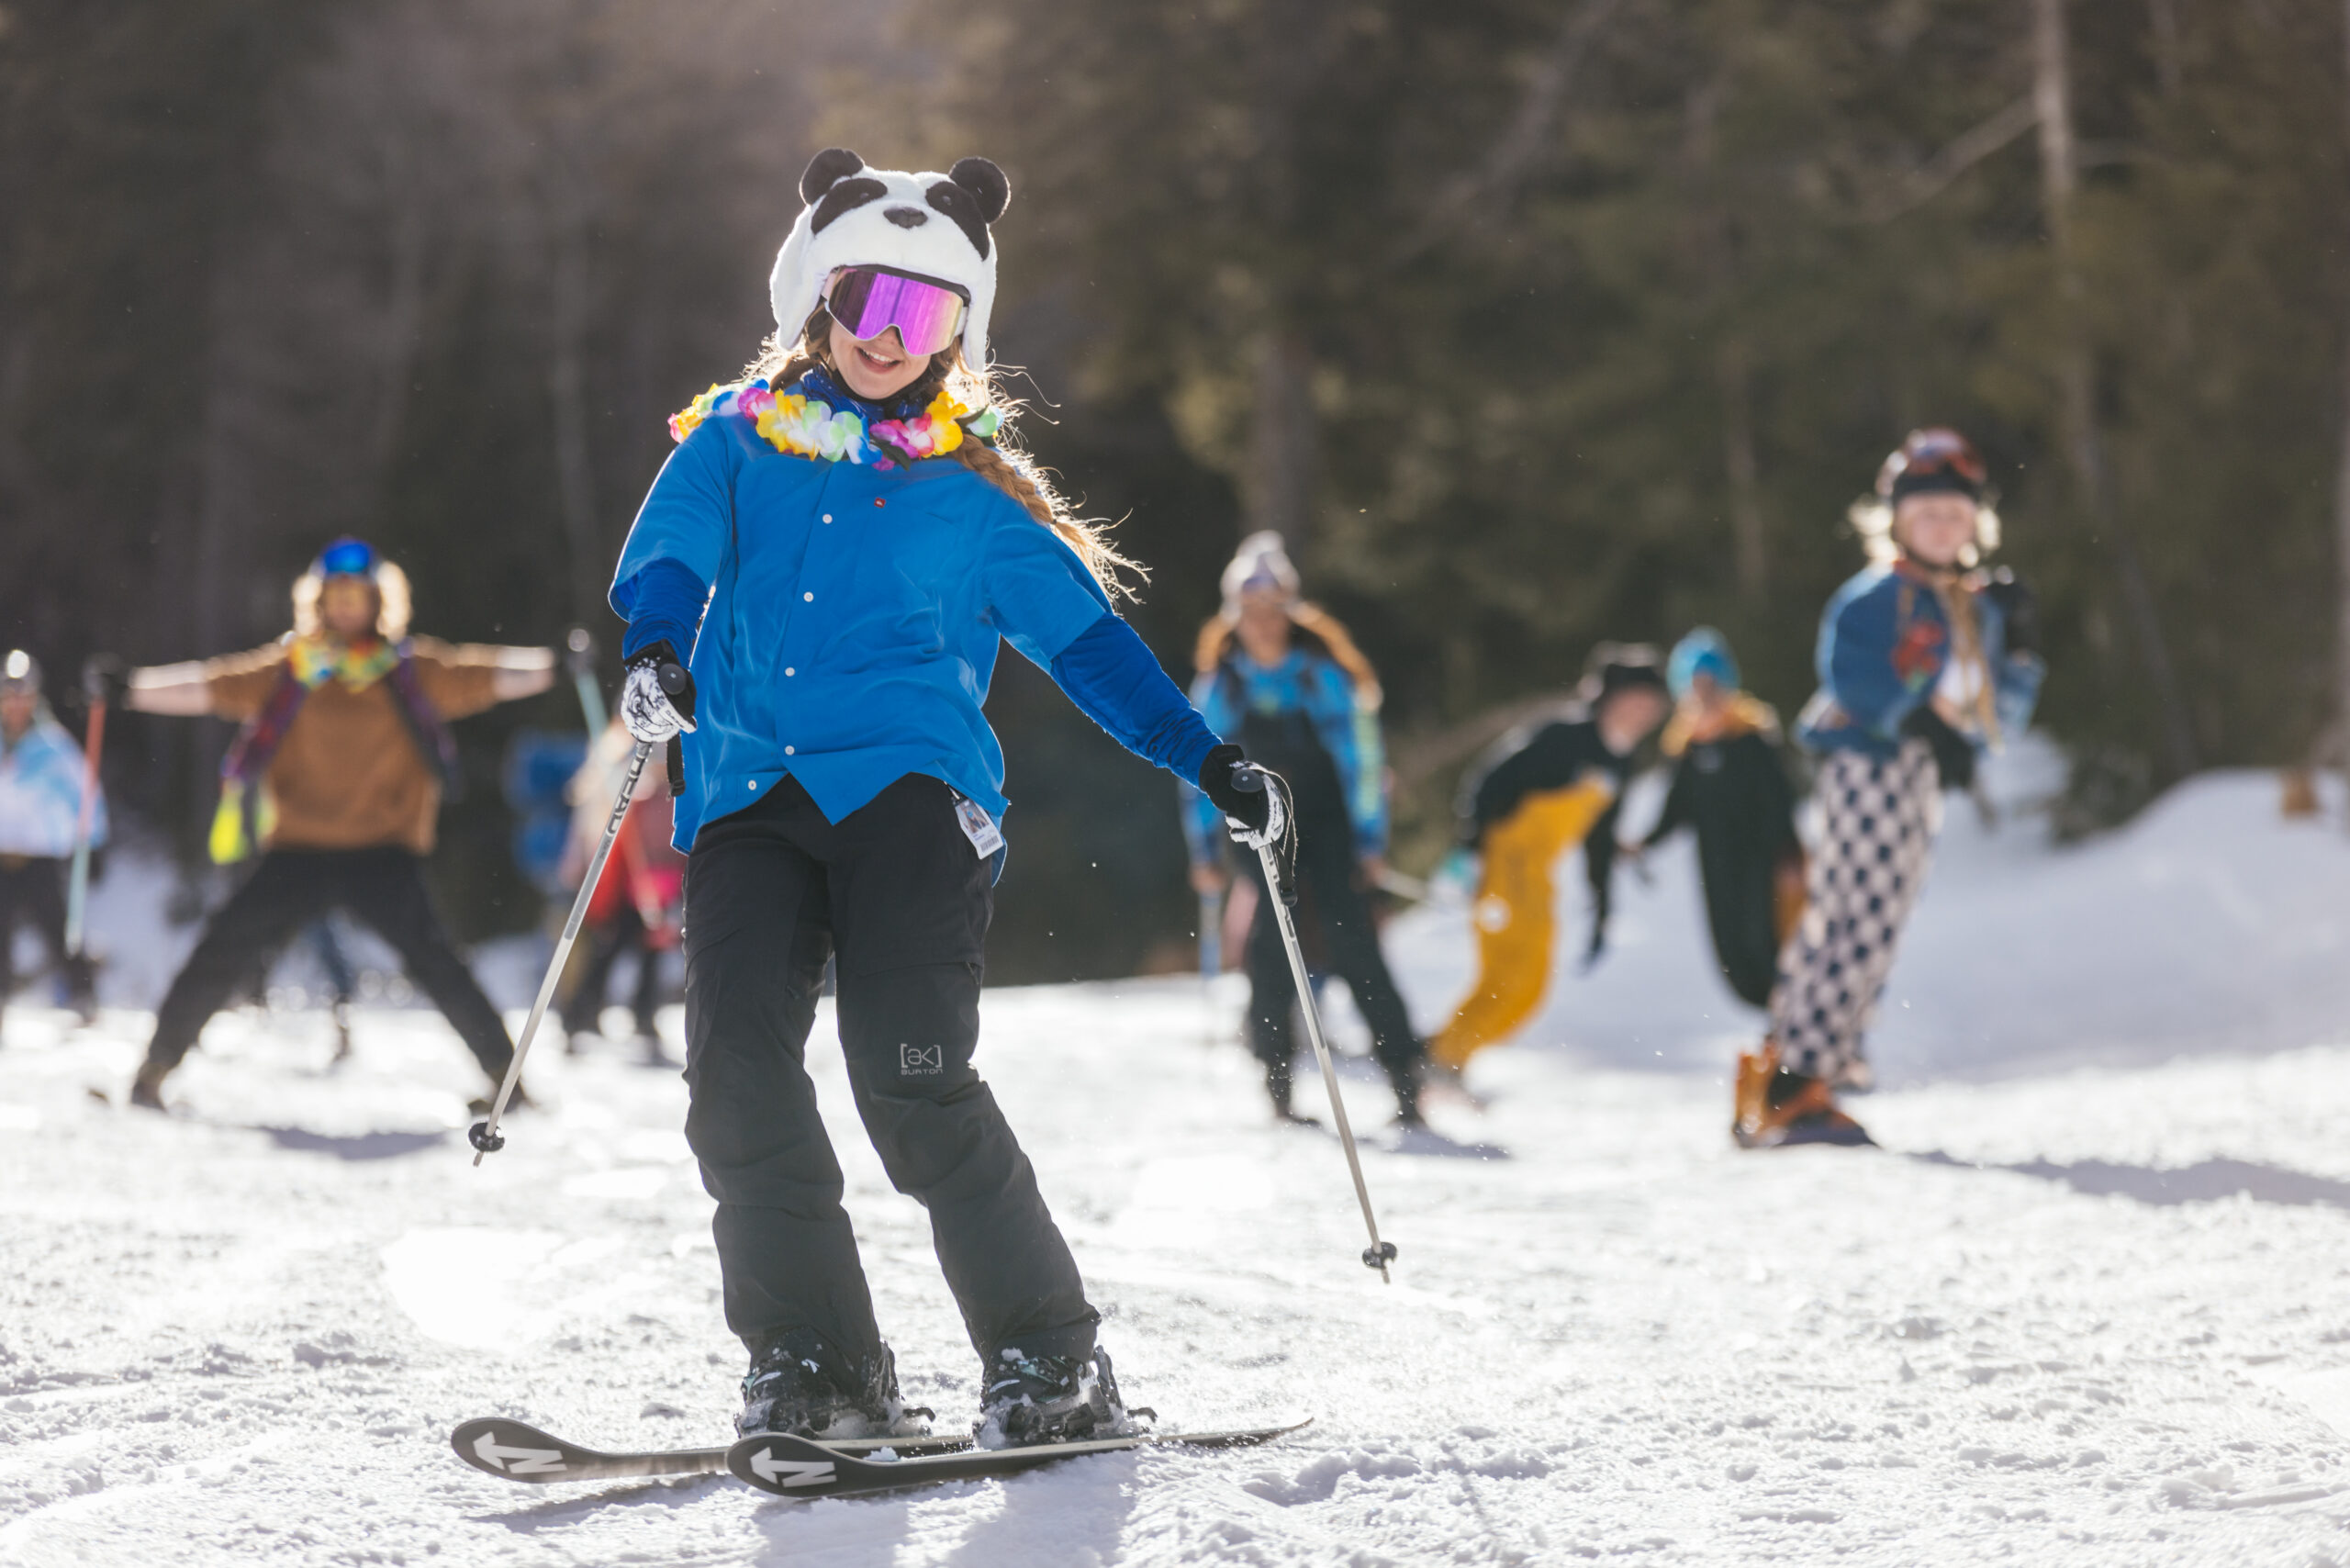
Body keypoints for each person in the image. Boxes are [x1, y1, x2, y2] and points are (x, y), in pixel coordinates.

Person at [608, 150, 1268, 1450]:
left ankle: (1050, 1360)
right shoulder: (736, 444)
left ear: (961, 329)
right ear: (814, 297)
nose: (885, 338)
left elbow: (1087, 648)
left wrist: (1206, 757)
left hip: (912, 795)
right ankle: (817, 1360)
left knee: (909, 1076)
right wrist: (657, 647)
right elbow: (668, 558)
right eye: (862, 303)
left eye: (921, 315)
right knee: (735, 1080)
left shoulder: (969, 494)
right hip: (747, 786)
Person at [115, 537, 556, 1109]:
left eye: (358, 594)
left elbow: (483, 675)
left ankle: (507, 1081)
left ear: (379, 601)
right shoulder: (291, 669)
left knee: (438, 963)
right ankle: (152, 1073)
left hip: (382, 854)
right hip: (297, 850)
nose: (347, 604)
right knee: (222, 950)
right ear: (318, 601)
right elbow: (212, 685)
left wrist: (555, 666)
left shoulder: (407, 671)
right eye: (336, 594)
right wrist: (128, 687)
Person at [1739, 428, 2043, 1148]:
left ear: (1976, 523)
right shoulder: (1878, 595)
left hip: (1920, 777)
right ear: (1899, 521)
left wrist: (2022, 647)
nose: (1942, 525)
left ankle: (1790, 1064)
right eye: (1926, 512)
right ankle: (1798, 1082)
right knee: (1858, 914)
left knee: (1882, 917)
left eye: (1955, 513)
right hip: (1869, 764)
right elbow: (1852, 674)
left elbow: (2003, 712)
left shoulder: (1975, 608)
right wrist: (1916, 719)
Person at [1182, 532, 1424, 1126]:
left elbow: (1362, 764)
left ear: (1289, 608)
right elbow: (1194, 770)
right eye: (1249, 610)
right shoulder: (1221, 686)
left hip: (1329, 827)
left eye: (1272, 608)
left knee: (1353, 943)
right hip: (1259, 834)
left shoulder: (1321, 676)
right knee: (1269, 949)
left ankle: (1405, 1081)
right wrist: (1202, 847)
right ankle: (1279, 1087)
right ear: (1233, 614)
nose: (1262, 622)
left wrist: (1371, 841)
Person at [1430, 645, 1671, 1081]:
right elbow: (1488, 783)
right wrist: (1469, 852)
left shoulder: (1621, 762)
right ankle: (1441, 1060)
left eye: (1651, 707)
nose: (1643, 715)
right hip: (1504, 865)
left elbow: (1599, 841)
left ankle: (1446, 1057)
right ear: (1609, 697)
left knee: (1532, 990)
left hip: (1540, 876)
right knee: (1505, 978)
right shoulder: (1564, 736)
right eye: (1635, 702)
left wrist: (1601, 911)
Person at [1628, 629, 1804, 1011]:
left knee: (1768, 943)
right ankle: (1775, 1032)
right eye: (1696, 686)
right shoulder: (1688, 746)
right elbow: (1676, 809)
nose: (1704, 694)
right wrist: (1644, 843)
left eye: (1711, 684)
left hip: (1762, 861)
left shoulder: (1753, 737)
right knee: (1732, 954)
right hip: (1717, 864)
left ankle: (1794, 1035)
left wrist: (1791, 855)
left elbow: (1780, 801)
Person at [558, 715, 683, 1064]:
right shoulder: (637, 797)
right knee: (610, 951)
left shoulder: (677, 796)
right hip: (632, 893)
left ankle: (644, 1017)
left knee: (652, 957)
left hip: (664, 891)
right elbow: (615, 839)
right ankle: (578, 1016)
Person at [0, 650, 103, 1031]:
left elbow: (87, 794)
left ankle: (83, 996)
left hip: (37, 855)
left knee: (57, 930)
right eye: (8, 695)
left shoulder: (53, 745)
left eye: (21, 695)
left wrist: (94, 843)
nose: (14, 704)